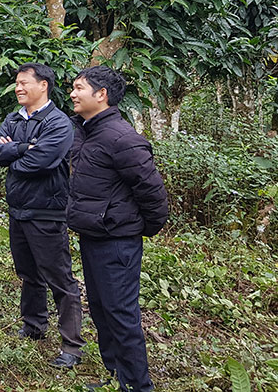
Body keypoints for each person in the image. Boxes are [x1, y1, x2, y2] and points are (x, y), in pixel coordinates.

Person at [68, 66, 169, 392]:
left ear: (102, 95)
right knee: (100, 310)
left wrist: (138, 229)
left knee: (122, 317)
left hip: (117, 243)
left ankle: (138, 387)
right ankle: (116, 377)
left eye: (79, 88)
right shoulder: (87, 131)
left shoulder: (122, 139)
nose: (73, 93)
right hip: (92, 236)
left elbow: (152, 192)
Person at [0, 62, 84, 369]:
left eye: (24, 82)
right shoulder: (14, 118)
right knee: (28, 273)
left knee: (58, 277)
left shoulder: (58, 122)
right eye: (17, 83)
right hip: (18, 209)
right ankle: (34, 325)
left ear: (43, 85)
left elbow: (40, 162)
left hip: (47, 211)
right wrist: (24, 147)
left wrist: (14, 153)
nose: (18, 88)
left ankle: (72, 345)